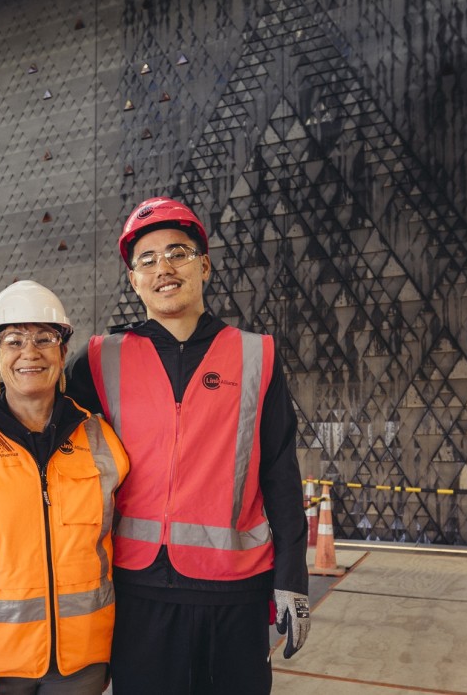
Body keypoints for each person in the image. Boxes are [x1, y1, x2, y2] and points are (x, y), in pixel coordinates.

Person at [65, 197, 311, 695]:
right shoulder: (98, 359)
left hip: (235, 591)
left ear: (204, 265)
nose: (163, 269)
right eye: (147, 260)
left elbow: (281, 472)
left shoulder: (255, 355)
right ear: (133, 279)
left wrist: (292, 576)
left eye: (176, 252)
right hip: (139, 591)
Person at [0, 281, 130, 695]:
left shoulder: (100, 436)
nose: (30, 352)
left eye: (45, 339)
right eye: (13, 341)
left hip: (81, 662)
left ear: (63, 353)